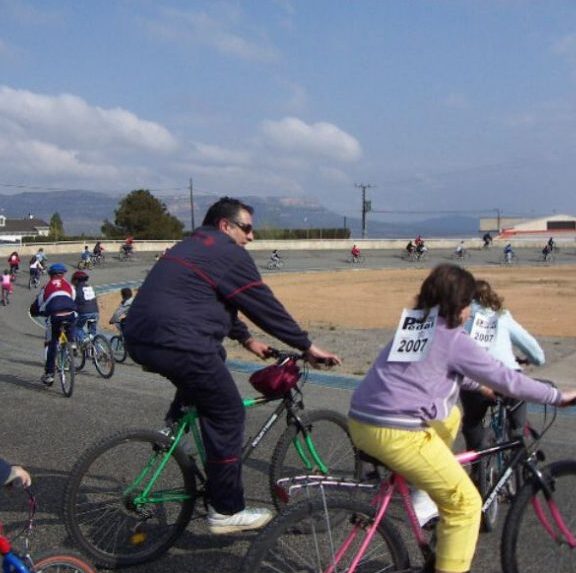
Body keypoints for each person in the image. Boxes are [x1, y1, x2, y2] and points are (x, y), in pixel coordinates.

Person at [123, 196, 341, 535]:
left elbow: (215, 299)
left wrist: (247, 340)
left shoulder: (192, 246)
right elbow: (262, 303)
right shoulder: (228, 251)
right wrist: (306, 345)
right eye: (247, 228)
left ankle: (175, 426)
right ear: (225, 226)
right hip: (179, 342)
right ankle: (226, 510)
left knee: (207, 369)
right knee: (228, 413)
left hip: (140, 339)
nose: (251, 237)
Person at [347, 264, 576, 573]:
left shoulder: (416, 326)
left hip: (363, 420)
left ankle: (424, 494)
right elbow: (508, 379)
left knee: (452, 415)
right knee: (466, 505)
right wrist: (557, 397)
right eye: (468, 302)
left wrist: (480, 387)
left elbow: (439, 368)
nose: (469, 311)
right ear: (458, 305)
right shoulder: (455, 339)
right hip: (397, 433)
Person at [461, 279, 545, 461]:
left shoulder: (462, 317)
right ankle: (519, 461)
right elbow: (537, 354)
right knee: (518, 427)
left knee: (473, 423)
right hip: (507, 378)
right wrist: (531, 360)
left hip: (475, 381)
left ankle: (477, 468)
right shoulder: (502, 316)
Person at [29, 263, 76, 386]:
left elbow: (38, 303)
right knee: (72, 321)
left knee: (52, 344)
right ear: (63, 274)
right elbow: (73, 299)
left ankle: (49, 374)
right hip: (70, 314)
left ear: (50, 275)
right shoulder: (69, 285)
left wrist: (34, 311)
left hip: (55, 316)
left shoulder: (46, 286)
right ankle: (71, 343)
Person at [71, 271, 99, 345]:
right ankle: (96, 348)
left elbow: (72, 303)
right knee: (92, 334)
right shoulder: (90, 288)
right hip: (95, 312)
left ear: (76, 280)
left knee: (77, 327)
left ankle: (83, 341)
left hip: (84, 313)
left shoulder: (75, 290)